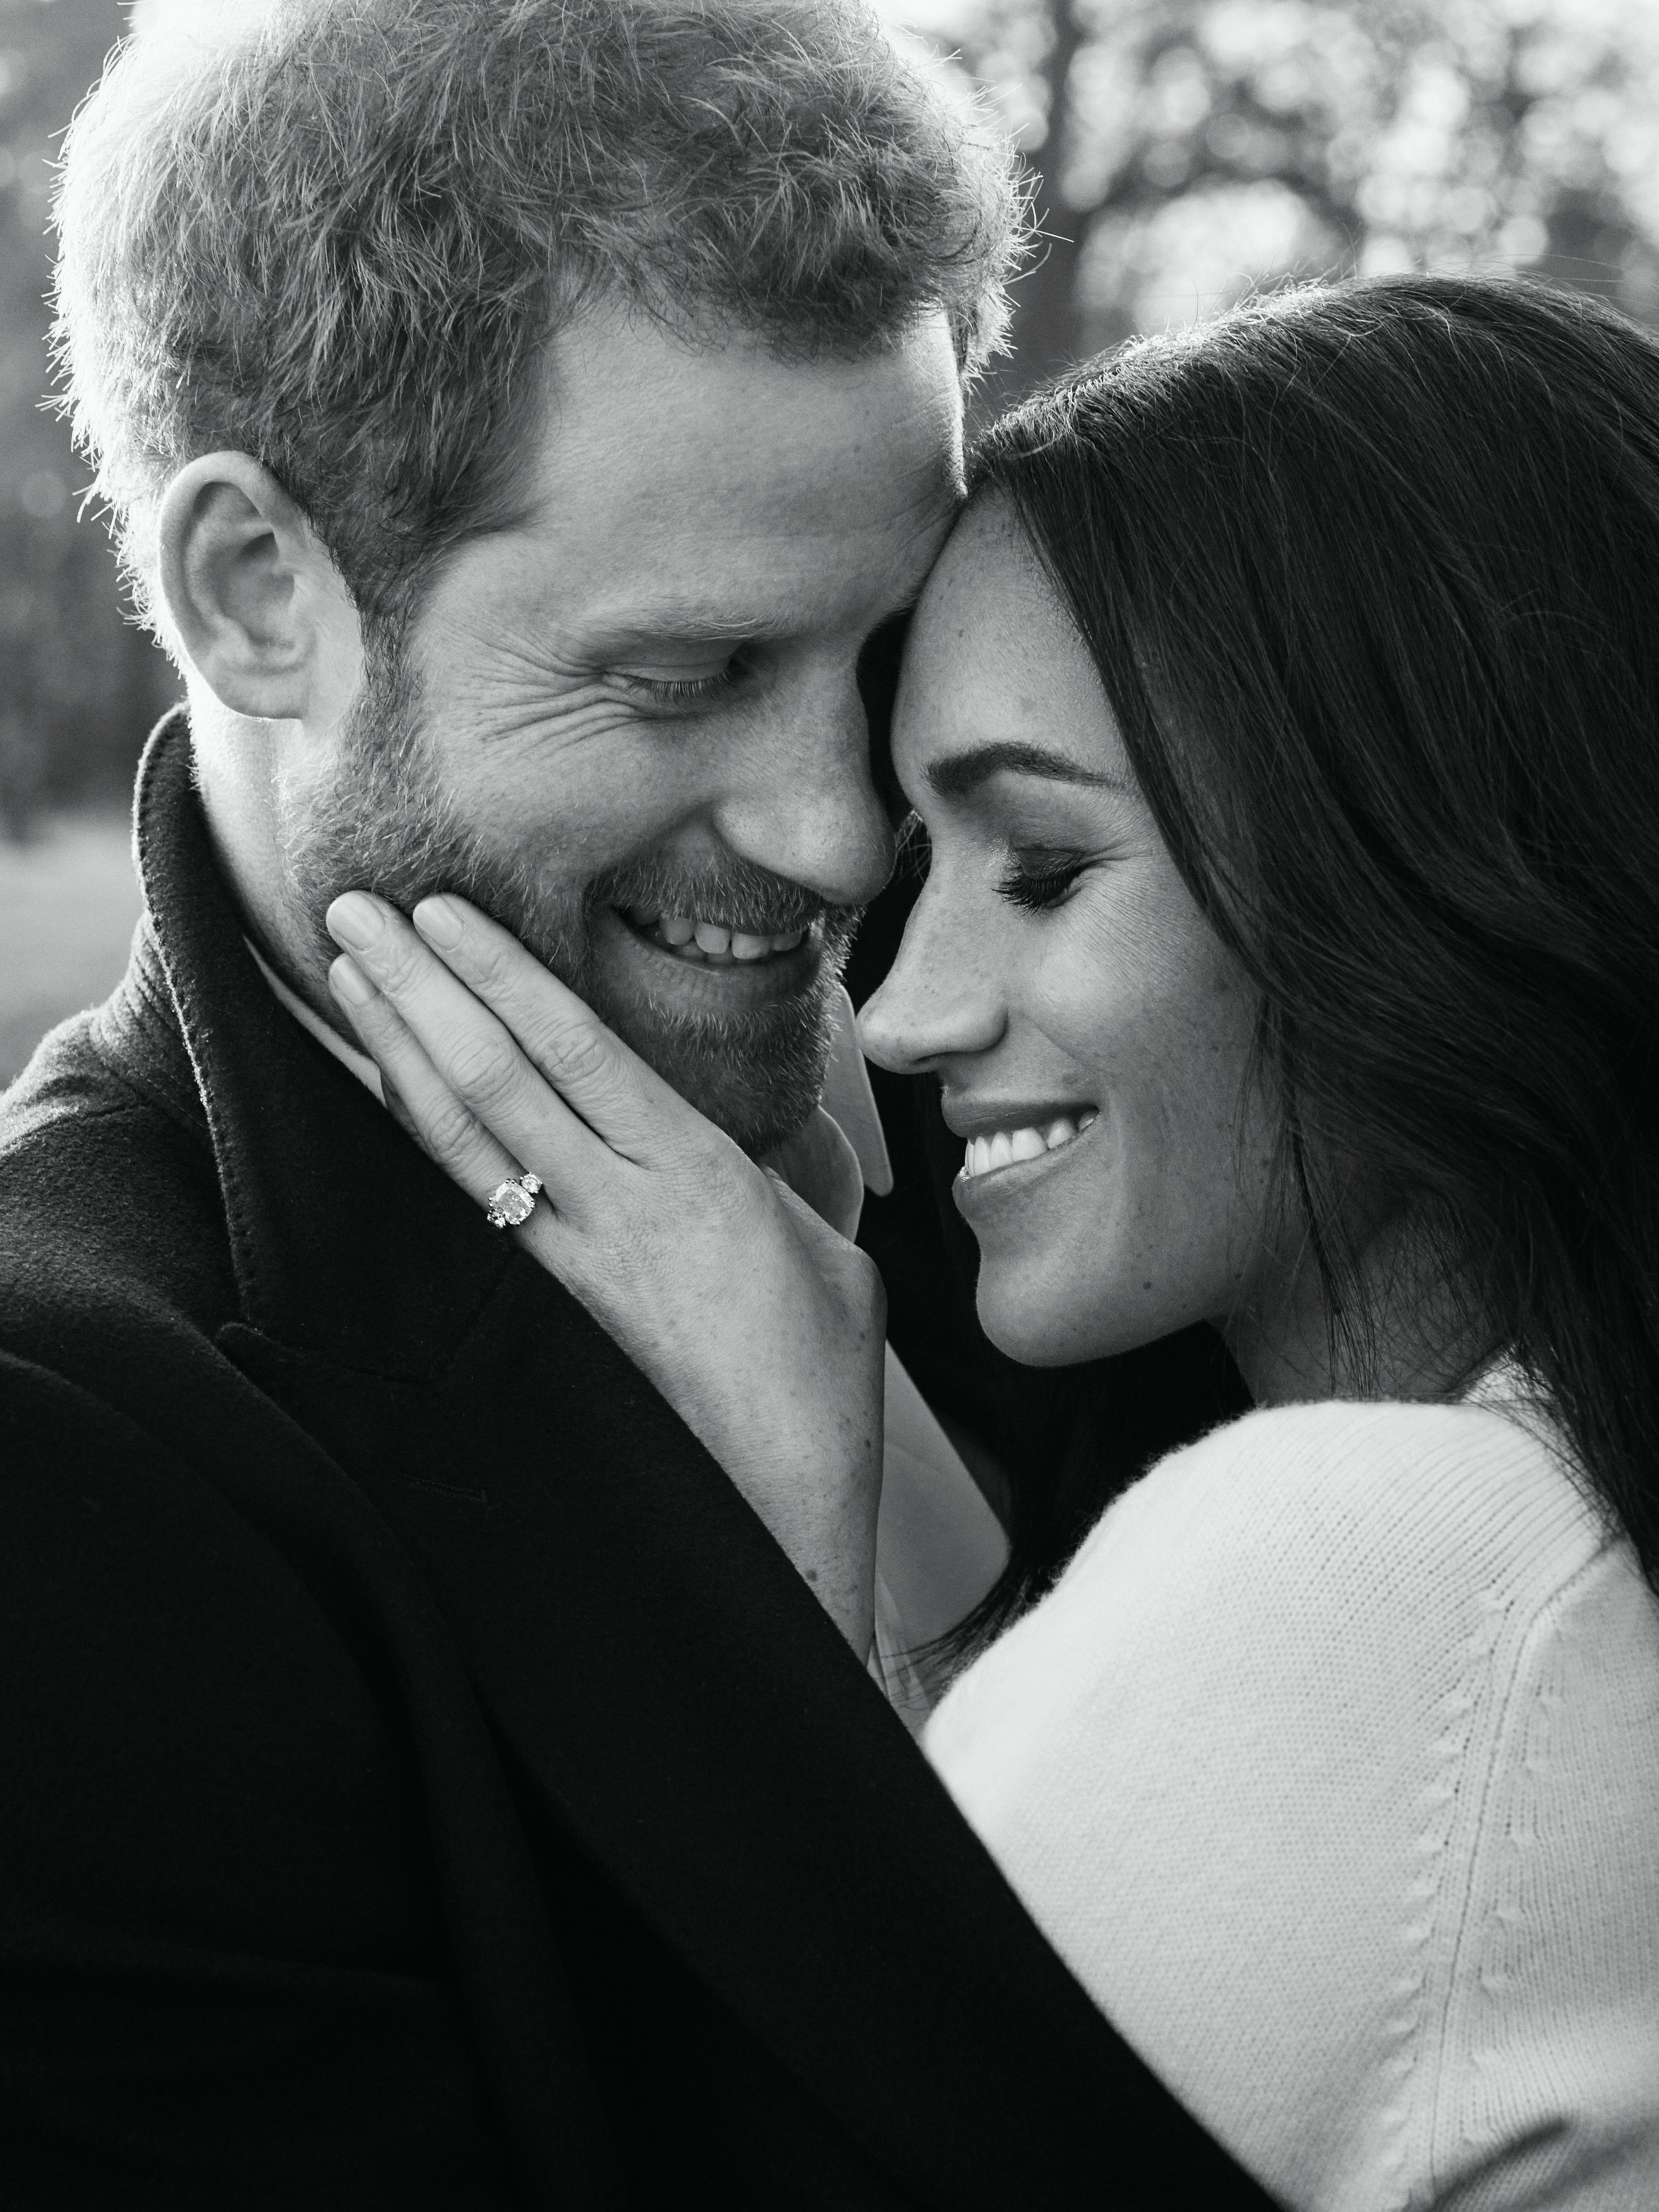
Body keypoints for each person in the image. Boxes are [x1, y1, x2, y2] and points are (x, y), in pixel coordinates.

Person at [0, 0, 1279, 2203]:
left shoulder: (1077, 1072)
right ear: (257, 591)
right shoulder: (71, 1466)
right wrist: (791, 1647)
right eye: (684, 675)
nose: (838, 837)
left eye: (873, 656)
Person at [337, 272, 1659, 2211]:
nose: (896, 1008)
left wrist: (794, 1542)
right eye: (918, 857)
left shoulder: (1381, 1569)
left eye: (1040, 866)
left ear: (1438, 870)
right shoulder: (1558, 1529)